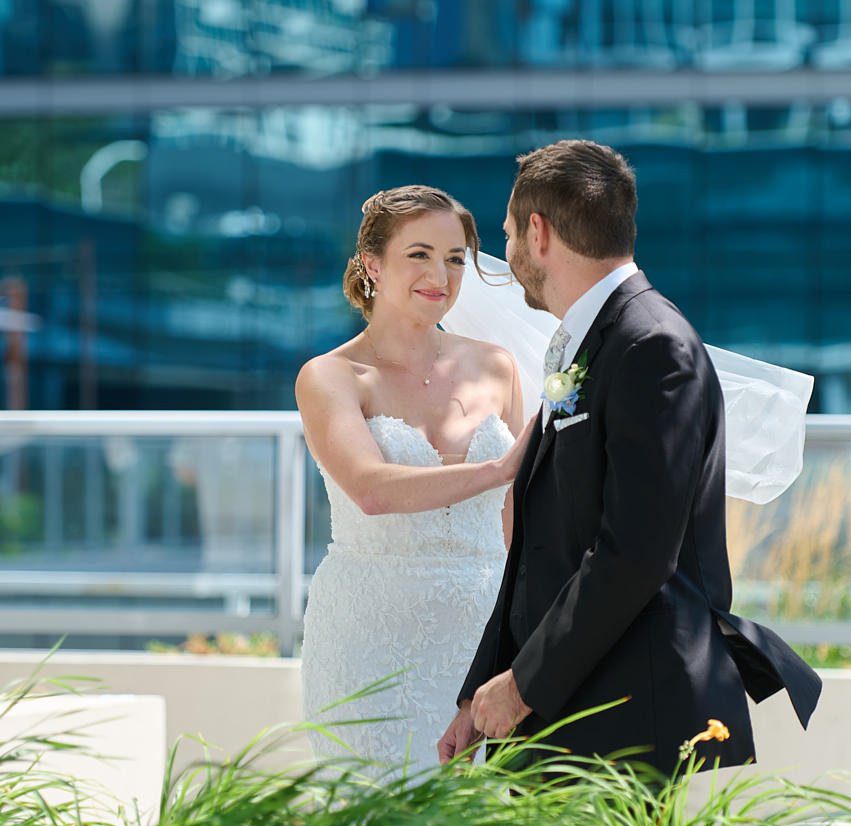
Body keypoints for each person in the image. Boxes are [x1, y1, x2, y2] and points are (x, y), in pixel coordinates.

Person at [439, 140, 822, 777]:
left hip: (620, 713)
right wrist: (480, 692)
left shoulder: (653, 347)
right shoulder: (587, 340)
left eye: (506, 236)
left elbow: (635, 554)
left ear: (539, 234)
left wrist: (523, 685)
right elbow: (544, 543)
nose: (504, 255)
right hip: (568, 703)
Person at [296, 185, 534, 774]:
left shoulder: (496, 366)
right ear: (373, 265)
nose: (442, 275)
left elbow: (521, 522)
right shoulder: (331, 376)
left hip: (482, 638)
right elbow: (372, 489)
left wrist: (527, 643)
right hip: (368, 639)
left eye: (456, 259)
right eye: (420, 255)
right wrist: (498, 469)